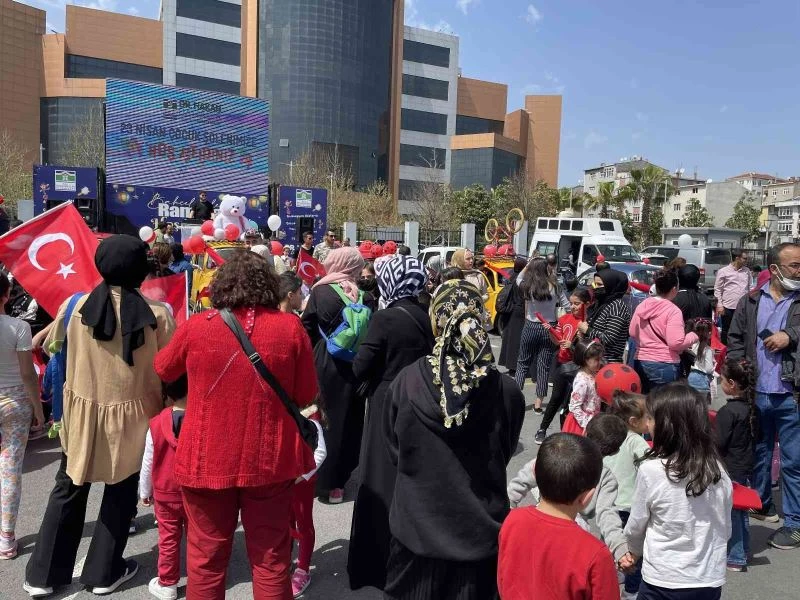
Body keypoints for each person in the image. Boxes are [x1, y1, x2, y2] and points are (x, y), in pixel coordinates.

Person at [154, 250, 318, 599]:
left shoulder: (198, 326)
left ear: (221, 286)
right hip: (270, 460)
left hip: (205, 458)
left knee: (205, 561)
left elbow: (164, 368)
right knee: (271, 560)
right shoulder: (290, 327)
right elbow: (306, 393)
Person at [25, 236, 176, 597]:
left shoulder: (75, 305)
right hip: (136, 415)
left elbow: (51, 345)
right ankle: (104, 571)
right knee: (120, 490)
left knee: (69, 485)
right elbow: (171, 369)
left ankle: (43, 575)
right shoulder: (157, 314)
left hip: (82, 412)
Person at [383, 280, 525, 599]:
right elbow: (505, 451)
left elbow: (394, 450)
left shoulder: (406, 382)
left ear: (437, 322)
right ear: (480, 320)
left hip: (415, 534)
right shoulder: (506, 391)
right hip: (480, 538)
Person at [348, 255, 433, 591]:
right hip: (420, 398)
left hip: (386, 401)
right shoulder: (426, 314)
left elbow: (361, 366)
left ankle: (375, 563)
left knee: (379, 477)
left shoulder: (384, 318)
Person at [624, 383, 732, 600]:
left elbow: (636, 525)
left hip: (663, 578)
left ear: (666, 426)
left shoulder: (651, 471)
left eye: (651, 418)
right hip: (707, 579)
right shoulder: (718, 471)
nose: (647, 423)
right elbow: (725, 526)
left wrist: (633, 552)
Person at [727, 242, 800, 548]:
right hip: (757, 393)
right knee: (759, 453)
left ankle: (794, 524)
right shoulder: (751, 301)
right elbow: (734, 340)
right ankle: (762, 503)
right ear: (774, 269)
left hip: (791, 396)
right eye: (794, 266)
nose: (799, 271)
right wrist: (738, 374)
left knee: (793, 462)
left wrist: (790, 336)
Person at [498, 433, 620, 600]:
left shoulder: (512, 520)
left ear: (535, 474)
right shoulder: (596, 555)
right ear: (587, 497)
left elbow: (503, 576)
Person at [507, 416, 632, 572]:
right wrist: (619, 547)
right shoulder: (606, 477)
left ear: (584, 431)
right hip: (576, 535)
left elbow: (521, 481)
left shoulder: (557, 454)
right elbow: (607, 514)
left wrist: (508, 507)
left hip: (538, 523)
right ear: (615, 452)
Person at [301, 247, 376, 504]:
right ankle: (338, 484)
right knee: (350, 421)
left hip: (326, 362)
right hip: (355, 364)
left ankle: (319, 477)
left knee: (324, 418)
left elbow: (307, 328)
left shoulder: (320, 292)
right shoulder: (366, 296)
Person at [0, 275, 45, 560]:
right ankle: (6, 537)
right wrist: (38, 410)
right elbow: (28, 374)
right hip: (15, 402)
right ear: (6, 295)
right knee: (10, 469)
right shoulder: (19, 327)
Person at [138, 374, 188, 600]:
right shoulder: (200, 418)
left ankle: (168, 583)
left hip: (165, 494)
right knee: (197, 537)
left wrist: (144, 491)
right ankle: (201, 577)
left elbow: (148, 461)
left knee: (168, 539)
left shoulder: (157, 424)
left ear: (166, 394)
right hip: (194, 492)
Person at [607, 391, 651, 598]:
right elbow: (650, 468)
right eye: (648, 417)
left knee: (613, 543)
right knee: (633, 552)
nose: (650, 422)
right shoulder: (636, 441)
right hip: (629, 505)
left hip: (609, 503)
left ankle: (612, 578)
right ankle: (631, 591)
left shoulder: (611, 437)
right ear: (633, 421)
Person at [535, 287, 592, 443]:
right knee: (556, 398)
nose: (573, 307)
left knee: (572, 404)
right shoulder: (564, 319)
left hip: (579, 368)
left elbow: (588, 350)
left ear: (587, 304)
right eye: (571, 303)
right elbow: (557, 342)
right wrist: (551, 332)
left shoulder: (587, 324)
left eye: (577, 304)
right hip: (562, 364)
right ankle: (542, 429)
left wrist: (573, 345)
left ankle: (567, 433)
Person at [717, 358, 758, 572]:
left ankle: (736, 555)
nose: (720, 383)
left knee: (732, 512)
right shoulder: (751, 409)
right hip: (745, 465)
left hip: (730, 467)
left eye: (722, 380)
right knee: (741, 511)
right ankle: (742, 549)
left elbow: (719, 442)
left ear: (731, 383)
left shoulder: (728, 412)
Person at [515, 258, 570, 413]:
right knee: (543, 366)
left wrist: (527, 265)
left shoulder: (528, 286)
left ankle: (516, 397)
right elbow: (567, 306)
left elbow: (518, 278)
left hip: (531, 325)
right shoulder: (555, 286)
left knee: (523, 363)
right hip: (549, 327)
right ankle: (538, 404)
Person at [629, 269, 698, 392]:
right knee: (662, 402)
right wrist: (693, 336)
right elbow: (675, 343)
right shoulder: (673, 311)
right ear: (674, 289)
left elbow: (632, 332)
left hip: (641, 360)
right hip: (664, 363)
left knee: (644, 400)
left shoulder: (642, 305)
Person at [290, 404, 327, 597]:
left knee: (303, 523)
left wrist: (301, 477)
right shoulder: (282, 407)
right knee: (284, 521)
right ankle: (285, 558)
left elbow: (320, 452)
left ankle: (303, 569)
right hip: (282, 482)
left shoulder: (311, 417)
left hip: (301, 483)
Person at [578, 268, 631, 363]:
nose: (595, 287)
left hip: (607, 362)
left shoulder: (617, 306)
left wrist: (587, 330)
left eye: (599, 284)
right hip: (593, 360)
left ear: (610, 285)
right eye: (594, 284)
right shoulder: (602, 303)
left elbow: (609, 338)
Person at [562, 338, 604, 435]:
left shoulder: (594, 373)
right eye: (597, 359)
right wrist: (586, 425)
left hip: (593, 418)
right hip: (581, 423)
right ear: (585, 360)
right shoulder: (582, 381)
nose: (600, 362)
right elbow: (574, 406)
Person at [497, 257, 528, 377]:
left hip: (510, 311)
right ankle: (515, 366)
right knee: (517, 341)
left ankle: (510, 365)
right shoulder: (522, 280)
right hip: (520, 311)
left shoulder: (510, 276)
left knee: (509, 340)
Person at [715, 249, 751, 344]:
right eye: (745, 258)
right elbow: (718, 289)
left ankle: (738, 348)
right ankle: (725, 349)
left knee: (742, 329)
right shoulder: (723, 271)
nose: (746, 261)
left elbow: (750, 287)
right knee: (726, 329)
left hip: (743, 306)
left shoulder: (747, 271)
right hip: (728, 306)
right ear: (737, 258)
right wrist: (720, 305)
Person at [687, 318, 715, 397]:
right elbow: (709, 369)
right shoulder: (708, 350)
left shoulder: (691, 345)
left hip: (691, 377)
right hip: (702, 379)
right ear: (709, 333)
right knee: (701, 403)